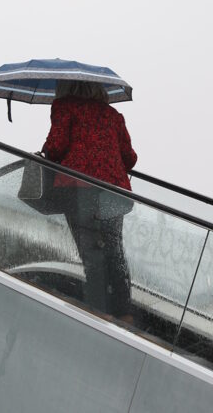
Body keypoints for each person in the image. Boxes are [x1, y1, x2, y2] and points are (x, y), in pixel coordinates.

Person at [41, 80, 138, 322]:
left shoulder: (65, 107)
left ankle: (98, 310)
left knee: (91, 251)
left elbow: (56, 147)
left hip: (79, 187)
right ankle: (124, 312)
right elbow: (130, 158)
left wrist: (46, 149)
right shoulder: (113, 116)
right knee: (114, 249)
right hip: (114, 191)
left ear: (66, 88)